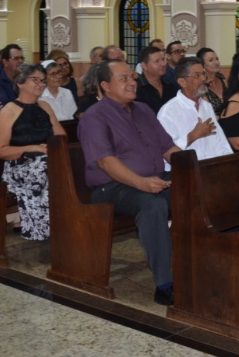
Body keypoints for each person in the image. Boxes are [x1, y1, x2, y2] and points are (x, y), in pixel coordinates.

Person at [78, 60, 181, 306]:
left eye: (132, 78)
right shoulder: (94, 117)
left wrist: (193, 170)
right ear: (105, 85)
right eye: (123, 79)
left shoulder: (144, 110)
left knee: (195, 191)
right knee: (152, 204)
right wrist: (141, 183)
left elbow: (168, 148)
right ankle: (165, 284)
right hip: (110, 187)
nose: (132, 82)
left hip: (149, 179)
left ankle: (197, 263)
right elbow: (105, 162)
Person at [0, 63, 65, 240]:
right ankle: (41, 229)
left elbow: (61, 135)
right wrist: (31, 148)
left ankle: (64, 223)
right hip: (18, 166)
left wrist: (48, 148)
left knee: (59, 167)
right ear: (20, 82)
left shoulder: (45, 106)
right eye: (35, 80)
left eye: (42, 80)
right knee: (45, 168)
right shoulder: (9, 110)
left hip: (45, 160)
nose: (40, 84)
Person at [157, 57, 232, 169]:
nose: (203, 79)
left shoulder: (206, 106)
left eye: (203, 74)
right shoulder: (168, 112)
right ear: (182, 82)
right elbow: (166, 152)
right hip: (185, 173)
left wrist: (227, 164)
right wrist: (193, 135)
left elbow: (221, 142)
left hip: (212, 170)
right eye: (197, 75)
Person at [135, 45, 178, 113]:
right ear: (144, 66)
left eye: (163, 59)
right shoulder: (136, 88)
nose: (163, 64)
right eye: (157, 61)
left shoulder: (170, 87)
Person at [195, 47, 226, 115]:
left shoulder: (222, 79)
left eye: (217, 59)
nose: (216, 62)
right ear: (202, 65)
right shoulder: (201, 85)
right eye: (211, 60)